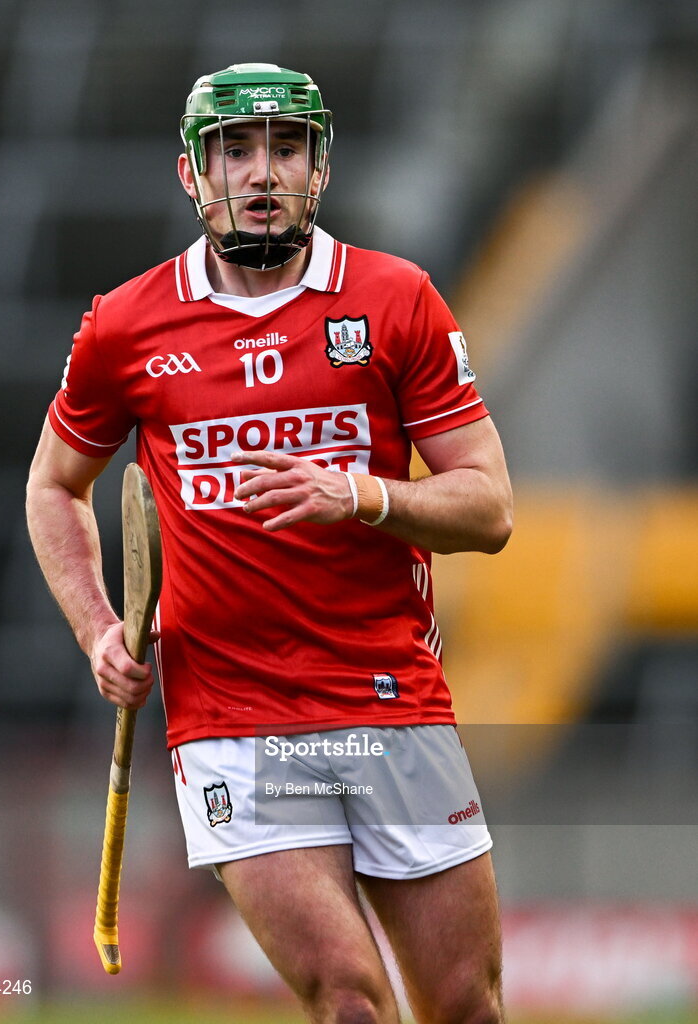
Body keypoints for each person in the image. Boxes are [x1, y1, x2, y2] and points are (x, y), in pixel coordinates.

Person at [26, 62, 513, 1024]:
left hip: (390, 695)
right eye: (235, 151)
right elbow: (54, 485)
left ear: (319, 168)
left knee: (466, 1006)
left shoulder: (395, 298)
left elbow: (489, 506)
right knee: (349, 1002)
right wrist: (96, 629)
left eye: (285, 148)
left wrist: (363, 495)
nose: (261, 173)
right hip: (232, 717)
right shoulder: (126, 327)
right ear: (191, 174)